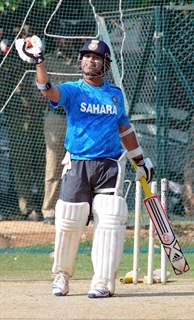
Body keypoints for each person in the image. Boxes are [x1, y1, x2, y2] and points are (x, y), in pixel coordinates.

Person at [15, 36, 154, 298]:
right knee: (69, 221)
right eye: (87, 56)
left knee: (111, 220)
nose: (91, 60)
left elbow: (124, 129)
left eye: (97, 57)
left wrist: (140, 160)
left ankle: (102, 281)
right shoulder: (73, 90)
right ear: (81, 61)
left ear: (105, 63)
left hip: (109, 166)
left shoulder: (114, 94)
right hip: (78, 164)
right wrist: (39, 62)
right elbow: (47, 89)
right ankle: (62, 275)